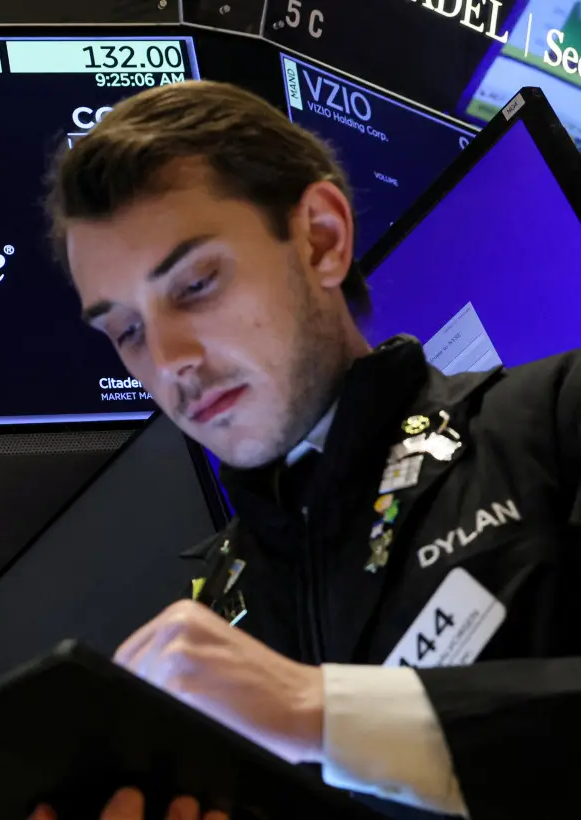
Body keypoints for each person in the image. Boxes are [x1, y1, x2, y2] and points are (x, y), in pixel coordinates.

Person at [30, 80, 581, 820]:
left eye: (195, 284)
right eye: (126, 330)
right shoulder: (217, 625)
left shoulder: (551, 417)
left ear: (321, 238)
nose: (170, 360)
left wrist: (318, 712)